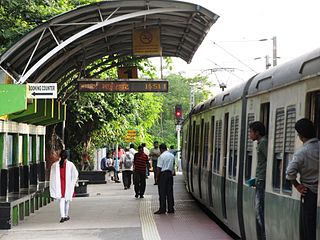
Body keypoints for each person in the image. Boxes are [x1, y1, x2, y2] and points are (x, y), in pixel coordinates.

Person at [286, 118, 319, 240]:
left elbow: (290, 172)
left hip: (309, 193)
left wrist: (297, 185)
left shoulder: (302, 152)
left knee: (309, 228)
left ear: (301, 135)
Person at [249, 121, 267, 240]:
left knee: (259, 209)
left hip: (262, 180)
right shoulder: (260, 142)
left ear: (257, 132)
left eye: (251, 132)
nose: (250, 134)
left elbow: (267, 160)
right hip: (259, 179)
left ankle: (264, 235)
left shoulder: (263, 143)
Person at [50, 150, 79, 223]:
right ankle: (65, 215)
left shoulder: (55, 165)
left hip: (59, 185)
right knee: (67, 200)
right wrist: (73, 182)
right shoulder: (70, 164)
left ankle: (63, 216)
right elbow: (75, 174)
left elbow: (52, 176)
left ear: (59, 156)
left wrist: (53, 185)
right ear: (67, 156)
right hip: (68, 185)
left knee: (61, 200)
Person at [154, 143, 175, 214]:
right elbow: (173, 166)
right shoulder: (172, 156)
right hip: (170, 174)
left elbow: (159, 168)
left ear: (161, 149)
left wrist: (157, 177)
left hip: (163, 175)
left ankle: (162, 209)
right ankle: (171, 208)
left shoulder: (161, 156)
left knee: (162, 192)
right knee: (170, 192)